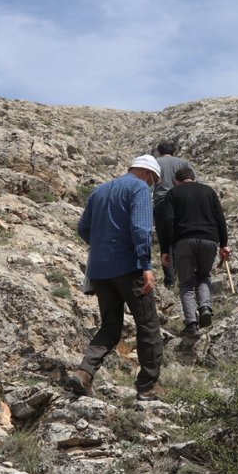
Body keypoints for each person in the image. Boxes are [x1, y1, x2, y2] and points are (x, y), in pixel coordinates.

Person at [69, 154, 166, 401]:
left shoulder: (99, 191)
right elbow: (141, 228)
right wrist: (146, 265)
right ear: (148, 175)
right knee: (148, 325)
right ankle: (147, 386)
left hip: (100, 271)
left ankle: (84, 372)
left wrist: (103, 247)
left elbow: (83, 228)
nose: (151, 186)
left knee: (110, 326)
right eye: (153, 182)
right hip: (129, 268)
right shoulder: (139, 188)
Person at [159, 167, 230, 336]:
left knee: (186, 283)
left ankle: (191, 323)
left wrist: (166, 248)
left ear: (177, 181)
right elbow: (220, 218)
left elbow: (168, 222)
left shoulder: (173, 194)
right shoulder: (208, 191)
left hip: (184, 241)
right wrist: (223, 244)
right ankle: (205, 307)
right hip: (209, 240)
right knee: (204, 276)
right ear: (194, 178)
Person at [152, 141, 195, 289]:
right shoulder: (183, 163)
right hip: (182, 203)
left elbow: (150, 185)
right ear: (174, 151)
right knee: (182, 236)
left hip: (162, 204)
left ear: (159, 151)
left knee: (165, 240)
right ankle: (184, 273)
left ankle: (169, 280)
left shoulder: (155, 163)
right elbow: (194, 180)